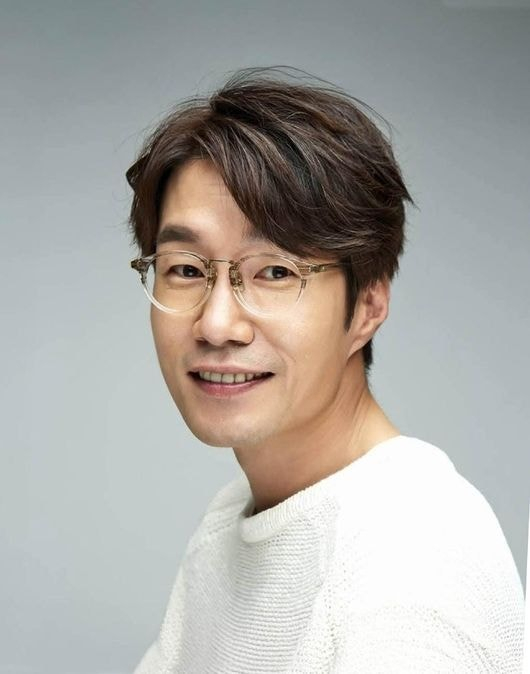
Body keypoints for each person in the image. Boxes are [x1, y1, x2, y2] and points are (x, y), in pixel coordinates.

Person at [126, 67, 524, 672]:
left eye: (275, 271)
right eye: (185, 268)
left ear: (368, 306)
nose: (217, 324)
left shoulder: (414, 551)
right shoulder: (235, 521)